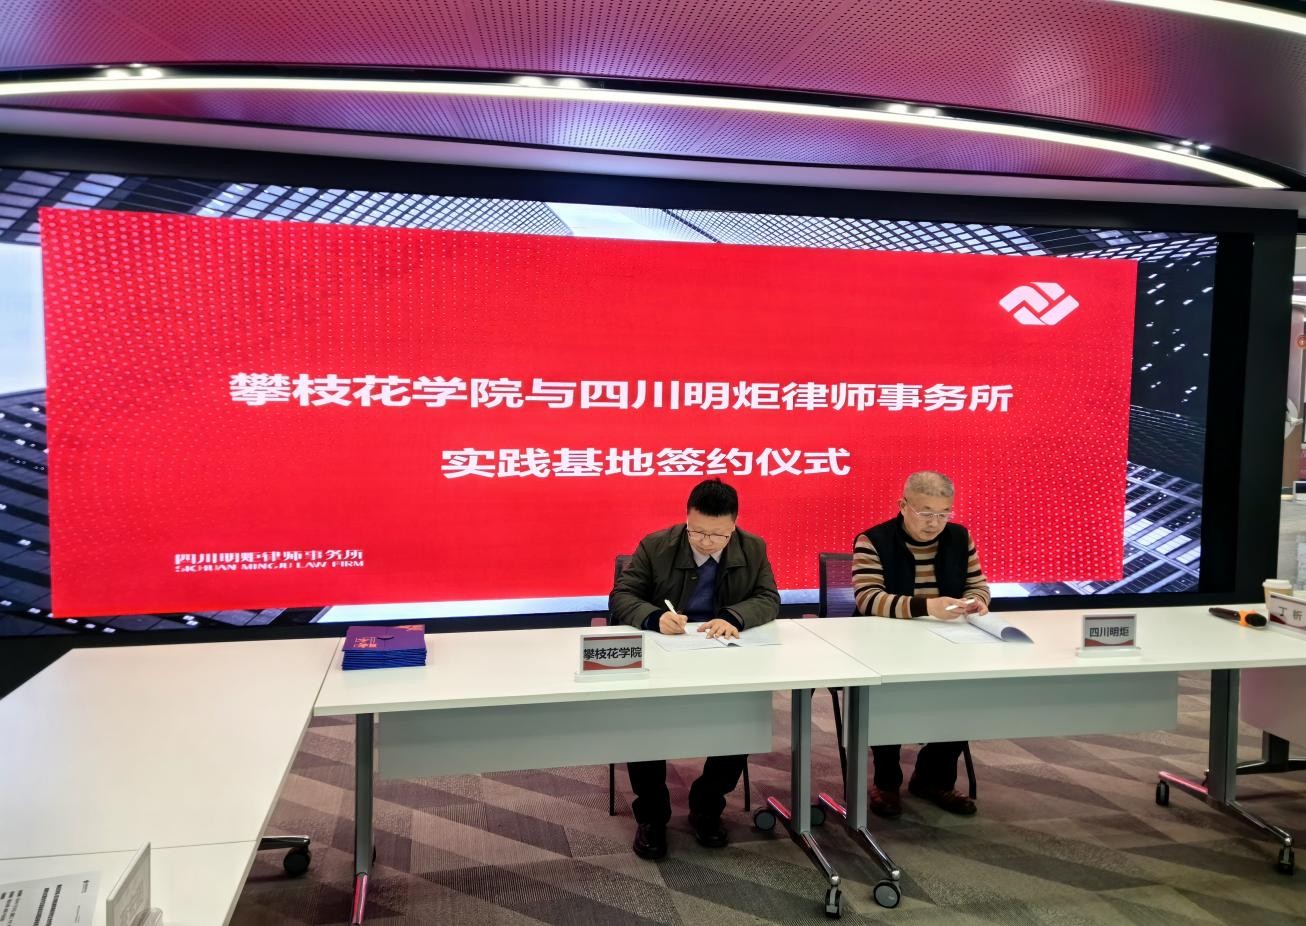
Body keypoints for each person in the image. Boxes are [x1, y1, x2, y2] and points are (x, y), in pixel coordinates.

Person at [609, 478, 780, 860]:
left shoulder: (752, 547)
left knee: (745, 715)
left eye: (717, 535)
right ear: (686, 519)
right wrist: (653, 617)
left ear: (733, 526)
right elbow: (622, 596)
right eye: (697, 531)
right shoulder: (656, 545)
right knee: (643, 721)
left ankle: (708, 804)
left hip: (723, 657)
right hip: (664, 656)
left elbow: (768, 597)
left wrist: (734, 616)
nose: (705, 541)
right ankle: (651, 816)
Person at [851, 470, 991, 818]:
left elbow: (978, 585)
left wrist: (977, 601)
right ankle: (886, 782)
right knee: (886, 696)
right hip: (887, 646)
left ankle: (933, 779)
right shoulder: (873, 540)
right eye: (926, 513)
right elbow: (868, 598)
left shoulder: (959, 537)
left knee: (967, 692)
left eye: (944, 514)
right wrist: (927, 607)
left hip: (948, 643)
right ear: (903, 505)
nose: (935, 523)